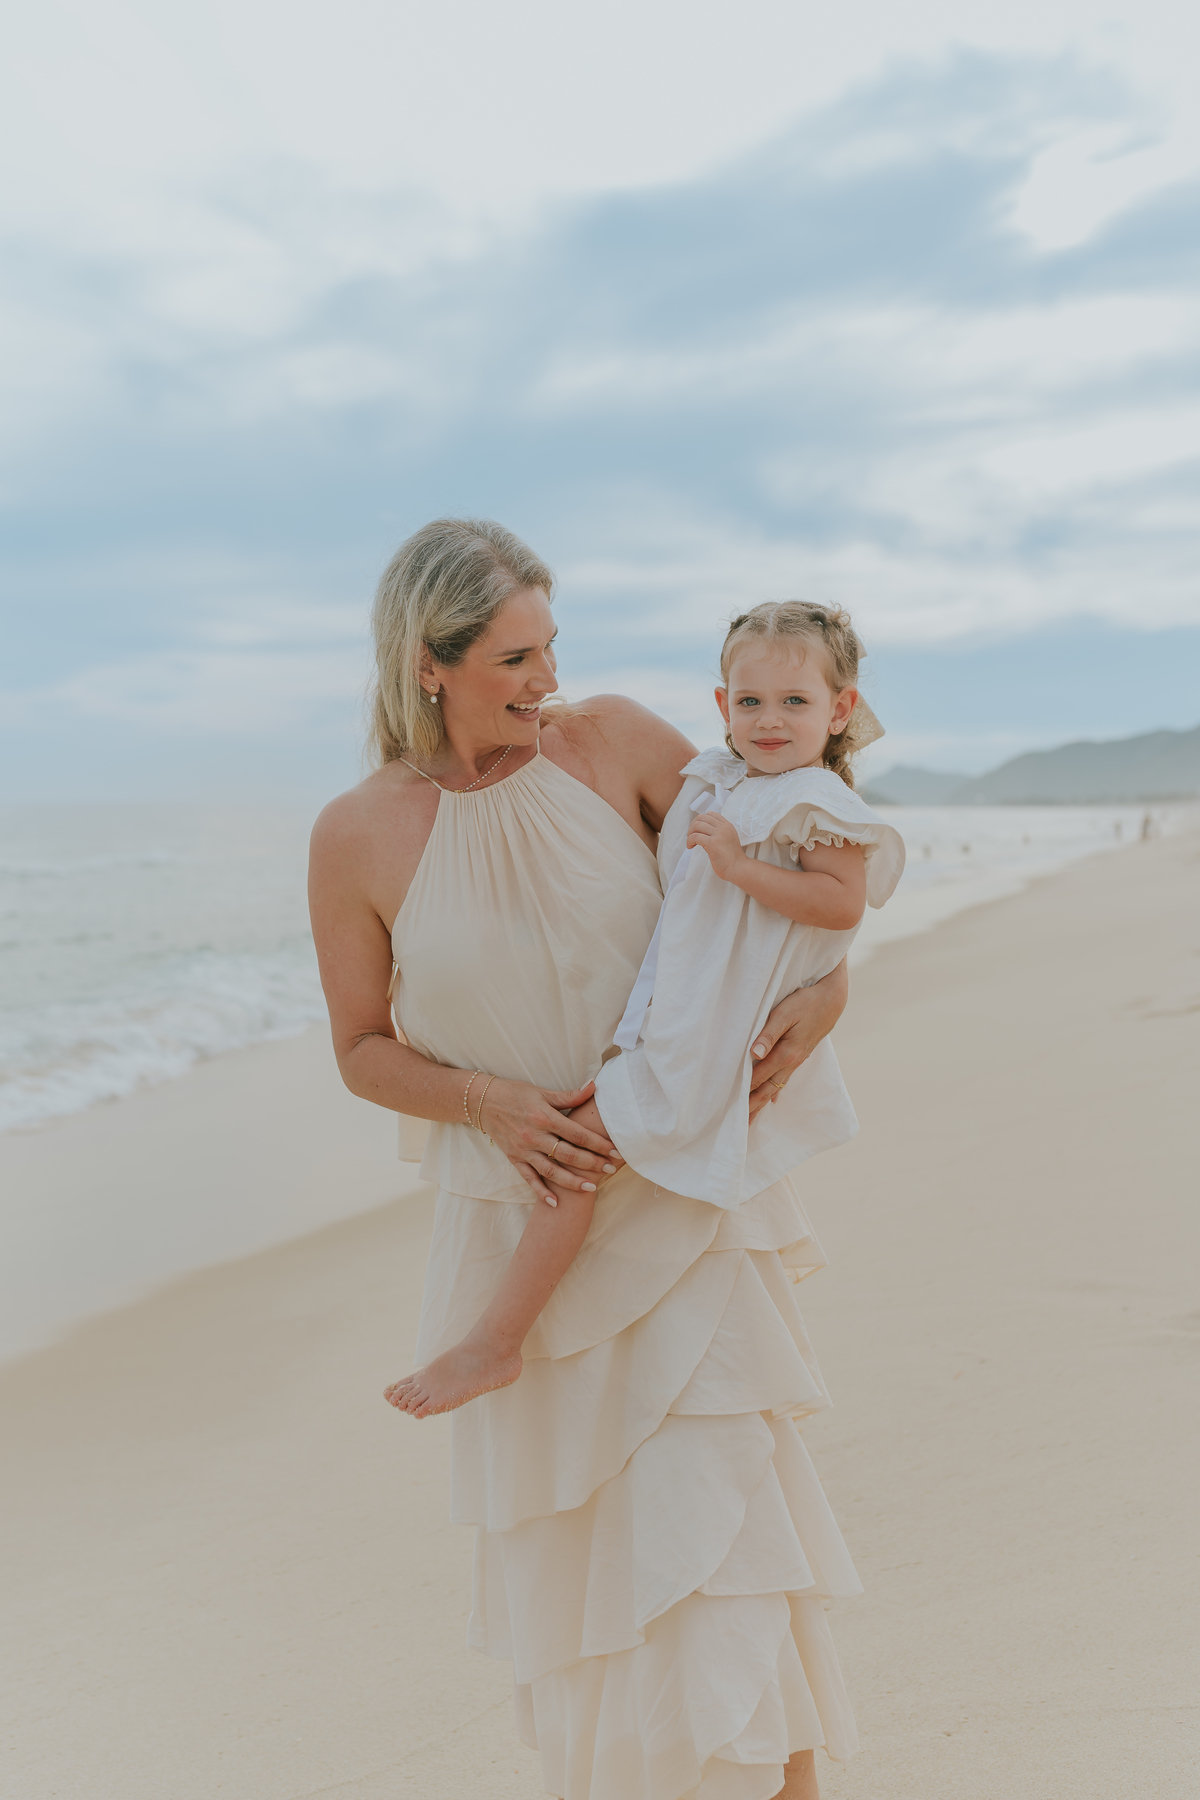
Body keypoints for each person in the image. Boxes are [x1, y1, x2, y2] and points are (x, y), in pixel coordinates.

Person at [309, 519, 860, 1800]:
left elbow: (789, 866)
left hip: (680, 1209)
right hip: (522, 1227)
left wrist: (831, 999)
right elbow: (359, 1048)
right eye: (513, 656)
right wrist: (489, 1103)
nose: (547, 676)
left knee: (727, 1551)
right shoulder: (359, 834)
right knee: (596, 1587)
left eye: (551, 644)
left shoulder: (612, 741)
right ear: (425, 663)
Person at [390, 601, 903, 1423]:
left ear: (842, 710)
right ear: (721, 704)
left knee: (574, 1163)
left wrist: (752, 889)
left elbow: (840, 909)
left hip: (708, 1034)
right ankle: (496, 1340)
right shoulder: (721, 778)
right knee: (578, 1162)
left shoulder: (813, 802)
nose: (769, 721)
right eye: (750, 703)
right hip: (670, 1023)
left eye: (797, 703)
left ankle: (494, 1342)